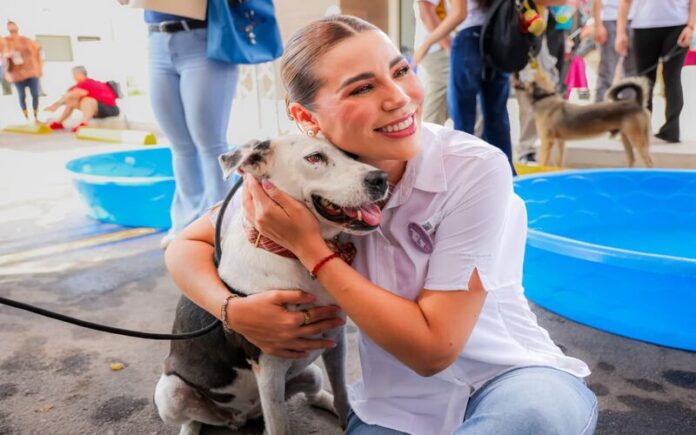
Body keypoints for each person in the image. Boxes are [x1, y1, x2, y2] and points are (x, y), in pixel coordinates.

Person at [166, 15, 597, 435]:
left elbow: (434, 350)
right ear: (307, 118)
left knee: (533, 420)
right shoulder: (297, 175)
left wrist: (310, 248)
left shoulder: (472, 167)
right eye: (362, 87)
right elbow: (185, 247)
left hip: (512, 377)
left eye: (401, 71)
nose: (399, 97)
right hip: (396, 406)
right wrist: (233, 311)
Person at [145, 10, 239, 247]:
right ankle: (185, 226)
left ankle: (221, 228)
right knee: (180, 146)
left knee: (210, 144)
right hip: (157, 39)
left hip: (204, 36)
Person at [414, 0, 517, 170]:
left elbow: (459, 14)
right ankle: (507, 174)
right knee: (497, 116)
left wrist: (427, 43)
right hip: (498, 39)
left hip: (468, 41)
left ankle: (465, 174)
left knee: (463, 117)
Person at [616, 0, 696, 143]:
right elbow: (625, 2)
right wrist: (620, 33)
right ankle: (641, 128)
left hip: (677, 24)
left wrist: (690, 26)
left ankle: (671, 130)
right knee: (644, 81)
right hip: (644, 25)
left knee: (672, 77)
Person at [45, 66, 120, 132]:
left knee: (86, 100)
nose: (73, 77)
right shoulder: (77, 86)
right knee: (71, 101)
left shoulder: (87, 83)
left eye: (74, 74)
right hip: (97, 110)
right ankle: (59, 123)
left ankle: (84, 123)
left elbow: (74, 94)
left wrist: (55, 105)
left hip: (111, 109)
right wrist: (56, 105)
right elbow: (68, 97)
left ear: (79, 74)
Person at [413, 0, 451, 125]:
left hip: (439, 48)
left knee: (442, 102)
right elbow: (426, 11)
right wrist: (448, 46)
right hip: (440, 50)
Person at [593, 0, 637, 102]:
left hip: (635, 18)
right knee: (607, 69)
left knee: (631, 72)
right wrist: (598, 25)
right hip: (610, 18)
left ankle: (626, 107)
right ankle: (599, 107)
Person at [2, 21, 42, 122]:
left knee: (35, 94)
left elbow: (37, 52)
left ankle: (36, 115)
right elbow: (2, 53)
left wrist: (39, 69)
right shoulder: (5, 41)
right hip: (16, 74)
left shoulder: (27, 40)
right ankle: (26, 116)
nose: (13, 30)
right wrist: (8, 55)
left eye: (14, 27)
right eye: (10, 28)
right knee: (22, 95)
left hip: (31, 71)